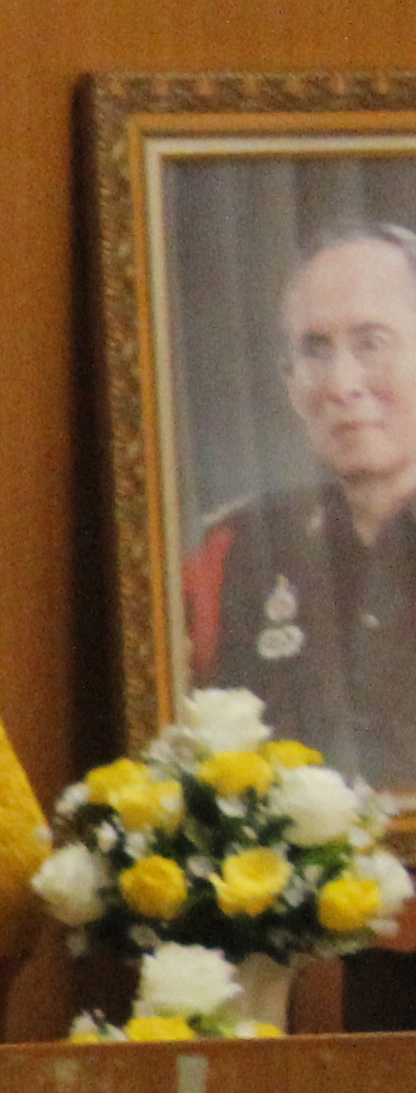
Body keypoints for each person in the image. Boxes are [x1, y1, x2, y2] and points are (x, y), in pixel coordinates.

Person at [188, 216, 416, 795]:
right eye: (316, 351)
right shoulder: (239, 553)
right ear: (290, 384)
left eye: (371, 344)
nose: (341, 384)